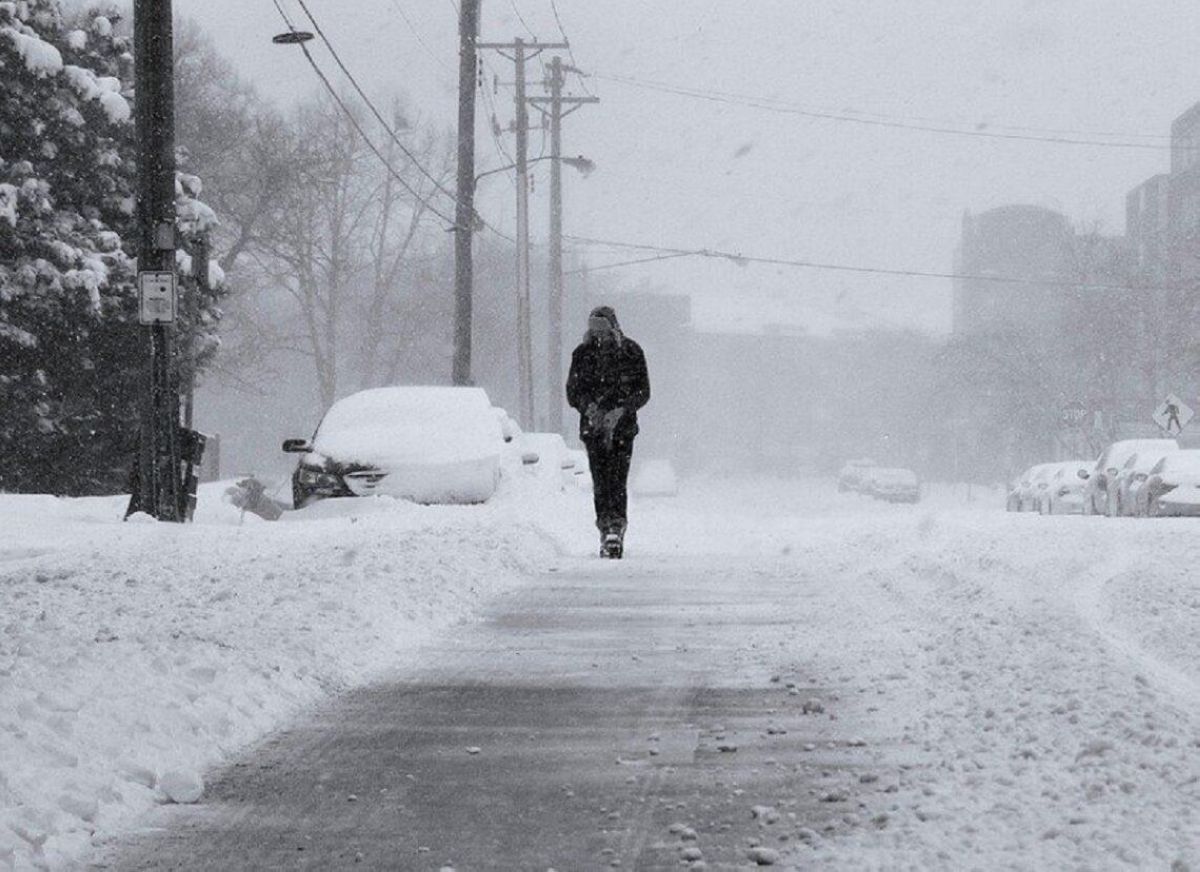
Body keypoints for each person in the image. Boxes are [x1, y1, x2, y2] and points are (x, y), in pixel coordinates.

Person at [566, 306, 650, 558]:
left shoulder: (631, 352)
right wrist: (589, 408)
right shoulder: (582, 354)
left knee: (617, 479)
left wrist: (621, 410)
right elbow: (573, 391)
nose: (598, 333)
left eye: (602, 327)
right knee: (601, 480)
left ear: (613, 326)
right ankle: (605, 527)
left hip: (623, 429)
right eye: (594, 327)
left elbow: (643, 391)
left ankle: (616, 526)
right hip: (593, 429)